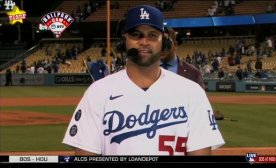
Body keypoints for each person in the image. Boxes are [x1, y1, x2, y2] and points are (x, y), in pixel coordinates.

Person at [63, 5, 224, 155]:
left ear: (164, 42)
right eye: (135, 34)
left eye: (152, 35)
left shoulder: (191, 93)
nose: (144, 42)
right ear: (123, 41)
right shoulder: (98, 92)